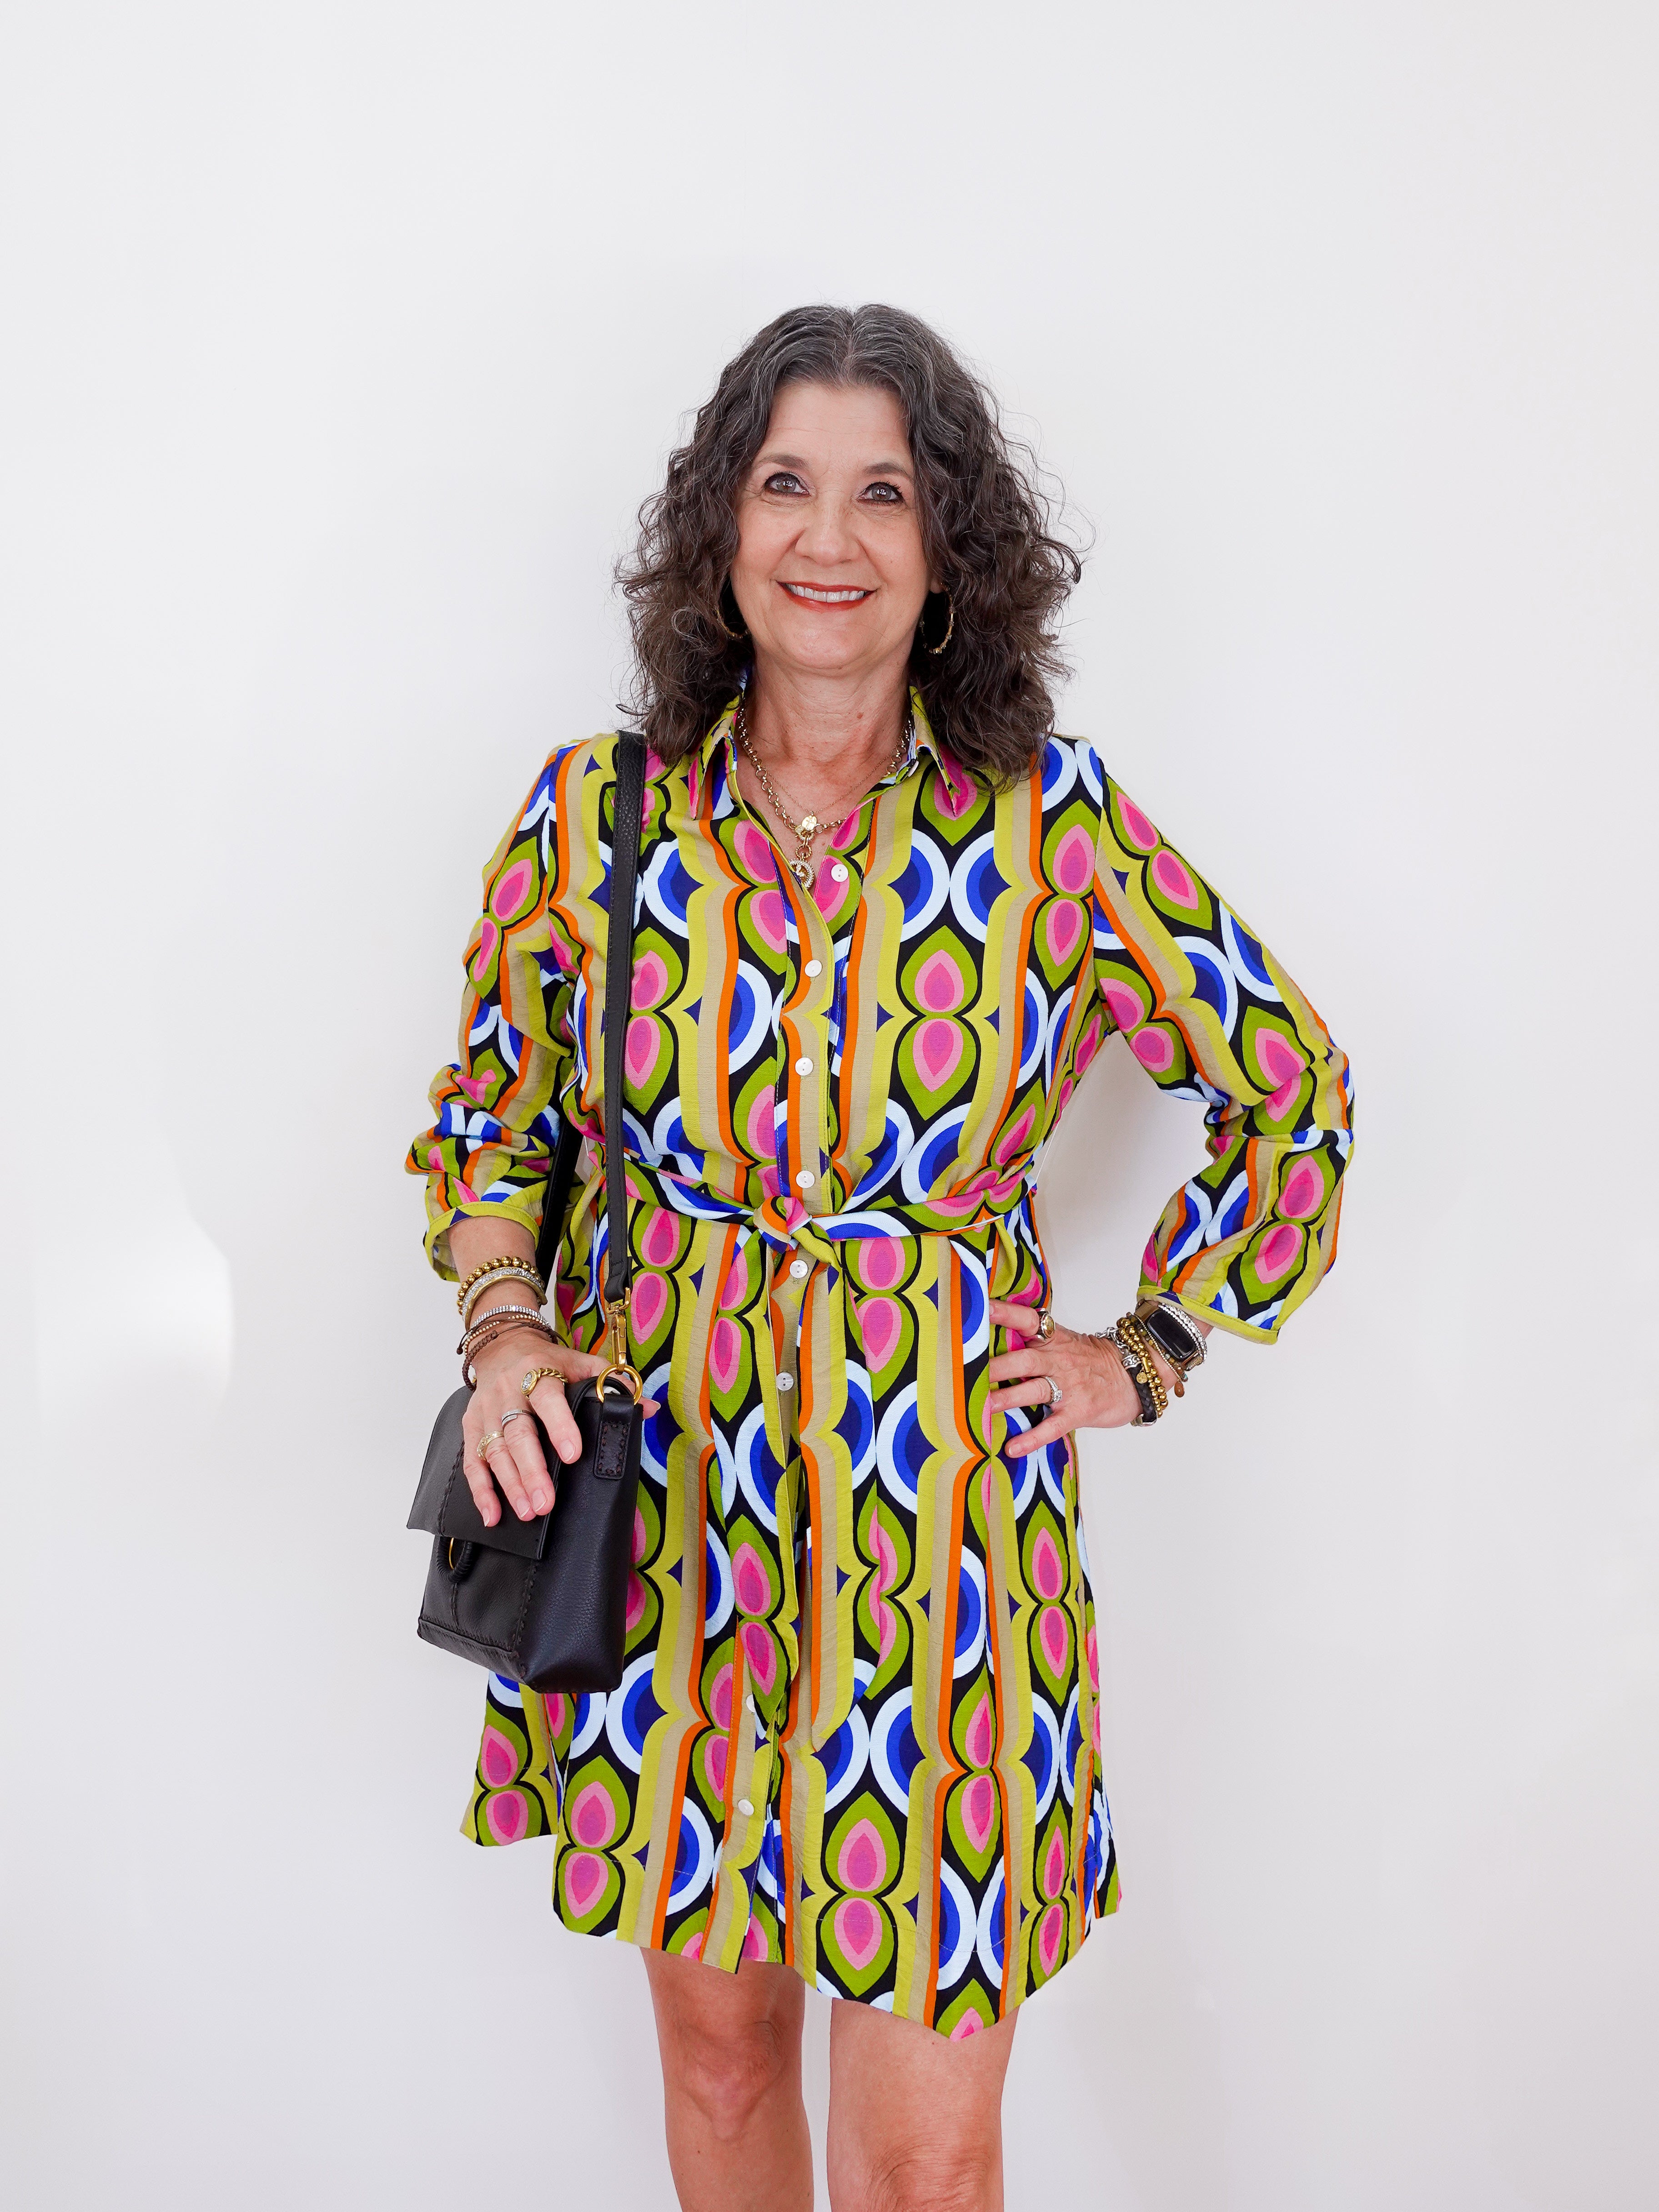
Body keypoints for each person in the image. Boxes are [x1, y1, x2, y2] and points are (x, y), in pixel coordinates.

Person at [409, 303, 1353, 2212]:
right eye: (784, 483)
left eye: (882, 493)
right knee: (720, 2055)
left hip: (942, 1553)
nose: (826, 537)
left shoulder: (1050, 829)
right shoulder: (596, 820)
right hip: (676, 1517)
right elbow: (494, 1120)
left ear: (946, 553)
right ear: (721, 528)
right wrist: (507, 1326)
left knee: (926, 2162)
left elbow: (1295, 1090)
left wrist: (1146, 1348)